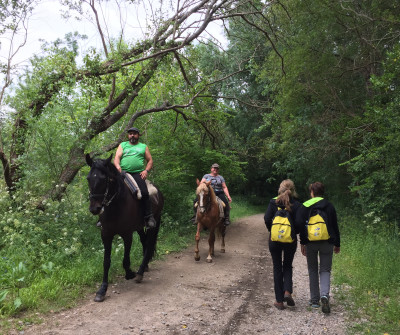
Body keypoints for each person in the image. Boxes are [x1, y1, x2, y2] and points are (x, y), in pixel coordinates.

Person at [297, 182, 340, 314]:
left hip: (311, 242)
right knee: (325, 269)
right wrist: (337, 243)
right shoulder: (329, 205)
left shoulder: (305, 206)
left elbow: (299, 223)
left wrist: (303, 241)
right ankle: (325, 295)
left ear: (312, 192)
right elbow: (334, 225)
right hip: (327, 242)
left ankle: (314, 301)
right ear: (322, 192)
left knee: (313, 269)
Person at [264, 179, 301, 310]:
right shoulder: (296, 204)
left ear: (280, 189)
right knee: (287, 265)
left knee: (277, 267)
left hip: (274, 240)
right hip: (290, 241)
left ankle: (279, 301)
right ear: (293, 189)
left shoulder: (273, 202)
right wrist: (292, 232)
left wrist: (273, 230)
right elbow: (299, 224)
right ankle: (287, 292)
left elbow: (267, 219)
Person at [113, 127, 156, 229]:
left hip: (137, 173)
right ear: (128, 135)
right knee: (109, 189)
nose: (132, 135)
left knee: (145, 193)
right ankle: (103, 218)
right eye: (130, 134)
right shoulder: (123, 145)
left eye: (134, 134)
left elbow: (150, 160)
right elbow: (117, 158)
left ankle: (149, 217)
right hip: (123, 173)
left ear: (138, 135)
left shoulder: (143, 146)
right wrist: (118, 166)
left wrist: (146, 171)